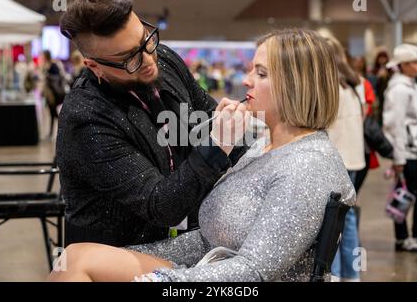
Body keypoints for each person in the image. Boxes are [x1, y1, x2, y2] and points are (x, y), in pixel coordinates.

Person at [48, 29, 356, 282]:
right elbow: (208, 241)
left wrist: (162, 281)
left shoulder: (306, 165)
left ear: (295, 86)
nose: (246, 80)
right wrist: (137, 253)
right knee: (75, 257)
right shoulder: (262, 146)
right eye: (251, 69)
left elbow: (256, 271)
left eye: (261, 73)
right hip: (210, 270)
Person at [56, 0, 247, 247]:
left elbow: (206, 118)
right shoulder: (86, 117)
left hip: (179, 246)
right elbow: (162, 206)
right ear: (94, 66)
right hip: (113, 257)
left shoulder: (164, 60)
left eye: (146, 40)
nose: (148, 60)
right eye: (128, 58)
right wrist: (217, 145)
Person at [383, 44, 417, 252]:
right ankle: (402, 238)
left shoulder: (413, 85)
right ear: (402, 66)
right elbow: (396, 126)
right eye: (413, 62)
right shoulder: (399, 90)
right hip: (407, 153)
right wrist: (399, 159)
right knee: (403, 195)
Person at [326, 37, 365, 282]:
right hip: (353, 158)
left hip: (336, 159)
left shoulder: (330, 85)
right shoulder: (354, 83)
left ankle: (337, 274)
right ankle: (351, 274)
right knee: (347, 218)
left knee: (333, 222)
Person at [40, 50, 66, 137]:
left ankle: (64, 129)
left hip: (54, 93)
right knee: (51, 112)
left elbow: (57, 77)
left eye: (43, 55)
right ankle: (52, 133)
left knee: (53, 112)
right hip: (48, 92)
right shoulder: (46, 65)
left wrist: (47, 76)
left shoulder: (53, 65)